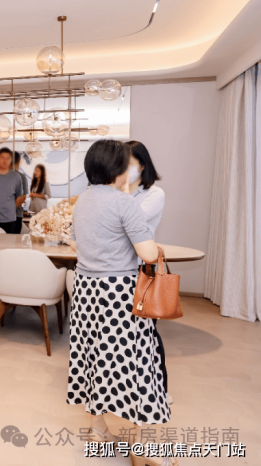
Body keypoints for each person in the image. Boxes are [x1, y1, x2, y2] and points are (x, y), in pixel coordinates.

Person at [67, 140, 171, 466]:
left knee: (92, 357)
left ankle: (98, 431)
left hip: (85, 291)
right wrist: (153, 247)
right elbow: (148, 253)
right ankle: (144, 448)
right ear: (117, 169)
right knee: (138, 364)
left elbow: (75, 243)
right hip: (120, 294)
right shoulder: (123, 202)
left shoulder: (82, 201)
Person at [127, 140, 170, 405]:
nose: (122, 168)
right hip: (120, 270)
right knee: (127, 333)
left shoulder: (154, 193)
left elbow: (131, 223)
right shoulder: (118, 192)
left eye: (128, 163)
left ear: (142, 165)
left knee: (147, 332)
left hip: (142, 269)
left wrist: (120, 193)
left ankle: (160, 388)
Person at [13, 151, 29, 233]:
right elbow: (22, 198)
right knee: (13, 239)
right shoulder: (21, 177)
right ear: (18, 162)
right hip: (15, 216)